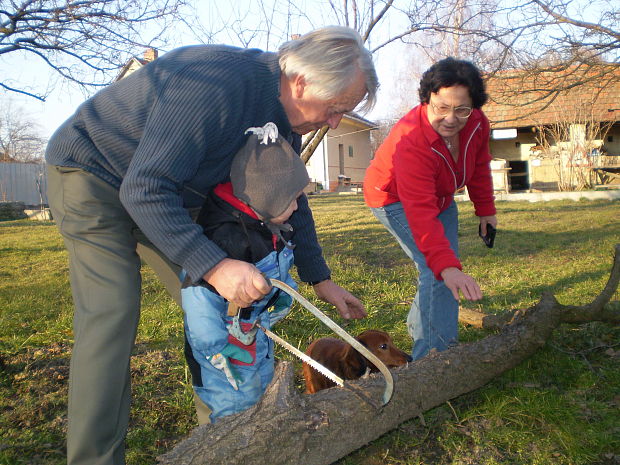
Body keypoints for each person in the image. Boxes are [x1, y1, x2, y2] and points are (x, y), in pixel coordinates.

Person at [45, 25, 377, 465]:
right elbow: (143, 189)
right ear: (300, 82)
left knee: (218, 313)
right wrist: (215, 266)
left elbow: (292, 200)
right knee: (112, 317)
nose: (335, 122)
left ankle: (229, 436)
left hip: (172, 196)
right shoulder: (213, 84)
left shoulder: (286, 125)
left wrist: (321, 279)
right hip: (94, 176)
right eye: (335, 108)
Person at [363, 57, 497, 361]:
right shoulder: (411, 141)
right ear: (427, 100)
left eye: (461, 109)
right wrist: (446, 267)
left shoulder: (477, 123)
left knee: (444, 264)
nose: (451, 118)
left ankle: (421, 326)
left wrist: (486, 210)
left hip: (441, 197)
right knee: (439, 271)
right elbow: (420, 212)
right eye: (442, 108)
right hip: (393, 198)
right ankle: (435, 359)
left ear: (474, 107)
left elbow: (478, 165)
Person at [182, 124, 309, 423]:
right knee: (235, 409)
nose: (297, 206)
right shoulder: (225, 240)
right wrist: (217, 350)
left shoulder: (266, 226)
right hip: (223, 354)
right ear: (268, 197)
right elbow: (197, 300)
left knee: (261, 392)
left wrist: (281, 295)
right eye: (292, 199)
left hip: (254, 335)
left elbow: (276, 266)